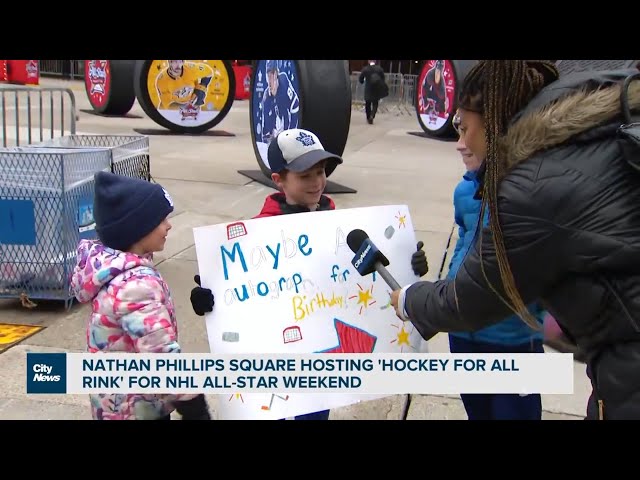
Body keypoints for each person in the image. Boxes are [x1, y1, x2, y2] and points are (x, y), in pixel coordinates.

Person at [391, 60, 640, 420]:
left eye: (464, 126)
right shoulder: (591, 145)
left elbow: (475, 297)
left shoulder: (532, 186)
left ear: (493, 119)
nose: (460, 141)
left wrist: (411, 300)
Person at [190, 128, 429, 420]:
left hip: (319, 357)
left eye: (321, 172)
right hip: (276, 361)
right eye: (305, 176)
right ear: (278, 180)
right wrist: (211, 297)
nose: (317, 183)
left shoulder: (340, 226)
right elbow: (236, 293)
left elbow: (367, 281)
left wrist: (409, 265)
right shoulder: (256, 235)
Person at [71, 171, 211, 421]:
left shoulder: (115, 271)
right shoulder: (136, 285)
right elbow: (160, 355)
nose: (169, 225)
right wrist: (193, 404)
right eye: (161, 220)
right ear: (137, 228)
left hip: (119, 403)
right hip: (136, 409)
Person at [446, 110, 546, 420]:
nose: (460, 145)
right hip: (463, 334)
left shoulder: (530, 193)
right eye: (457, 132)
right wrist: (448, 288)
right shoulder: (464, 191)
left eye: (467, 132)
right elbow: (463, 242)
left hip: (513, 341)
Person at [358, 60, 389, 124]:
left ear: (369, 61)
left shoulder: (365, 69)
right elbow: (383, 78)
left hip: (368, 89)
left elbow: (361, 79)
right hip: (376, 88)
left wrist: (362, 81)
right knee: (375, 103)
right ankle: (372, 115)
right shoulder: (379, 69)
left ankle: (368, 117)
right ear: (375, 61)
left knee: (367, 103)